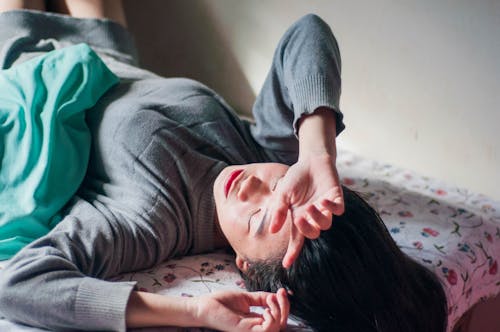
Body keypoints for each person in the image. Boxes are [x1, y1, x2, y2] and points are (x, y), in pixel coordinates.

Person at [0, 1, 448, 332]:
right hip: (109, 49)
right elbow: (308, 33)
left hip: (25, 66)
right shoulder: (268, 156)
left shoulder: (148, 222)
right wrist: (315, 151)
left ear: (244, 265)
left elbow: (17, 283)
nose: (254, 184)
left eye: (257, 219)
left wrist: (192, 312)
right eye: (280, 189)